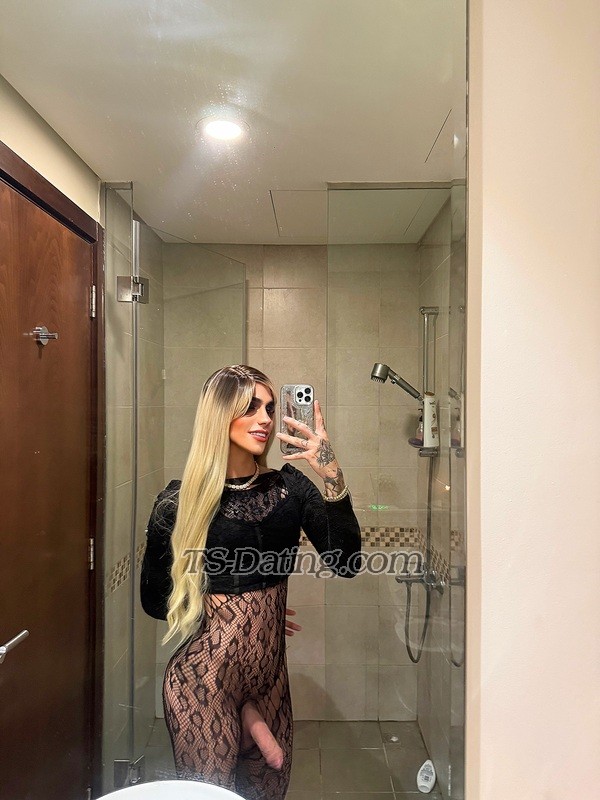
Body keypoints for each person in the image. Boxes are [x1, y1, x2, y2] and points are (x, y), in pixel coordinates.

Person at [141, 365, 361, 800]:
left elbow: (346, 562)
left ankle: (248, 714)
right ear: (219, 416)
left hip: (269, 682)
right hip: (204, 683)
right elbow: (153, 600)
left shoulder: (290, 488)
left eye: (270, 408)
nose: (265, 419)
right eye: (251, 407)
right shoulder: (178, 501)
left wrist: (330, 471)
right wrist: (233, 617)